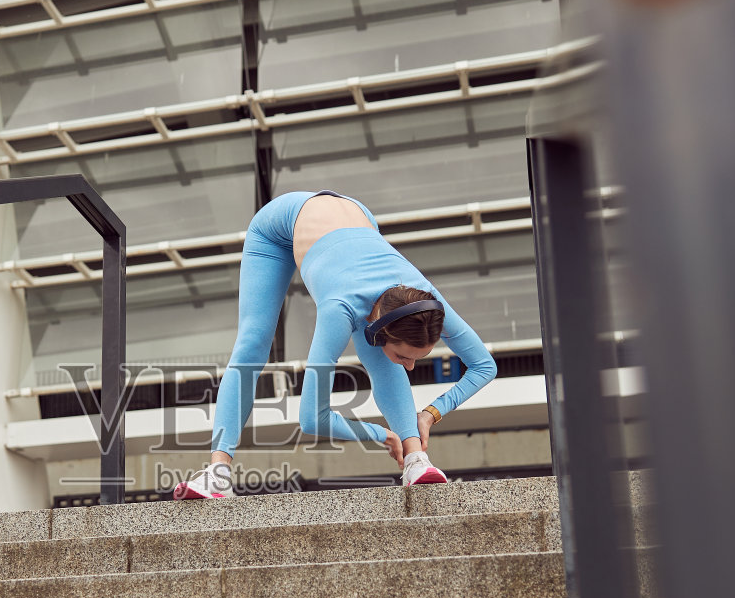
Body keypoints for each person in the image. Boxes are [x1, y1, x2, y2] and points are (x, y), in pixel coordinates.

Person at [174, 189, 498, 499]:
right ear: (379, 330)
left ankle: (416, 459)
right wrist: (380, 434)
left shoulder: (426, 301)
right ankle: (217, 473)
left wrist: (430, 414)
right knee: (252, 344)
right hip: (280, 224)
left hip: (357, 218)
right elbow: (312, 418)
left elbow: (485, 365)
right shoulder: (339, 309)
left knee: (384, 357)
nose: (412, 366)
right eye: (406, 355)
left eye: (418, 357)